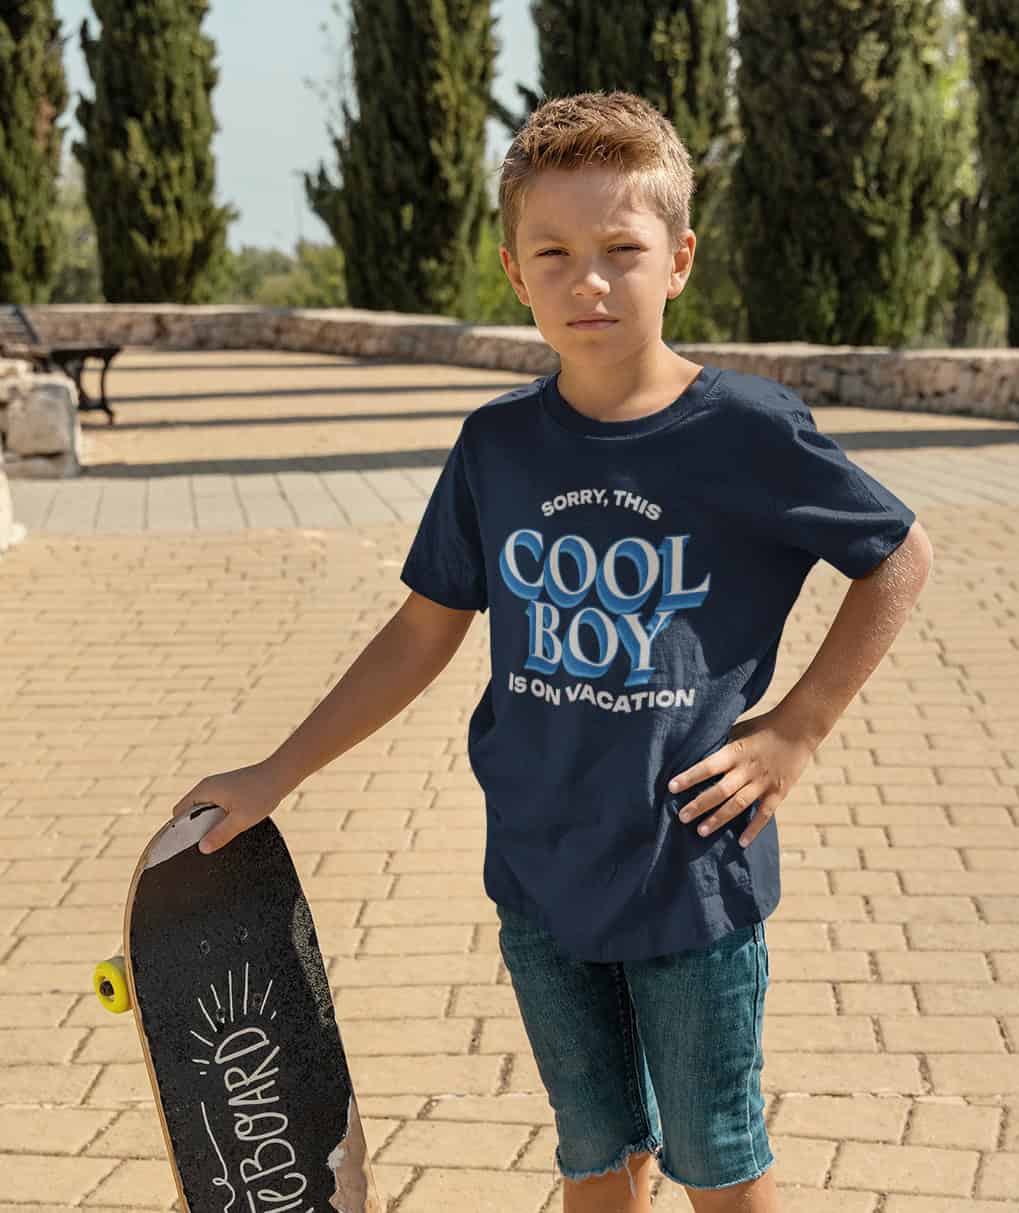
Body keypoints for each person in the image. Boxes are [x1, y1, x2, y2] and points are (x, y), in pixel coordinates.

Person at [172, 89, 934, 1213]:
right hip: (538, 872)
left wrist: (794, 729)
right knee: (593, 1153)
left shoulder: (746, 432)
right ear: (512, 272)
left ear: (677, 259)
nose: (589, 281)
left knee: (717, 1157)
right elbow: (422, 631)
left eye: (620, 251)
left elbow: (899, 558)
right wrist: (275, 771)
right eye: (555, 253)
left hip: (689, 872)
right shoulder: (497, 447)